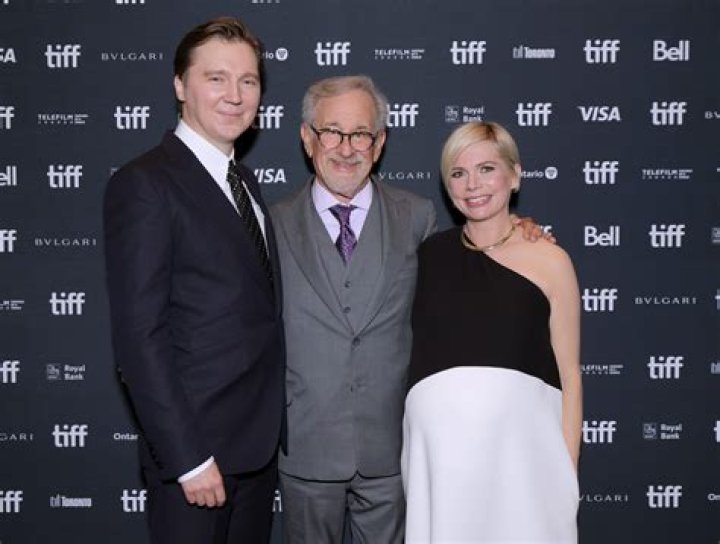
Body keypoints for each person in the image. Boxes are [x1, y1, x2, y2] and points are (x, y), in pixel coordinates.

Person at [103, 17, 284, 544]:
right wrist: (187, 459)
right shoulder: (146, 183)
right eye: (216, 78)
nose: (235, 95)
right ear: (180, 86)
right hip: (197, 460)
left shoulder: (243, 181)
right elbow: (140, 337)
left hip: (256, 454)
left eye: (248, 81)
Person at [271, 75, 435, 544]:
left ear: (379, 143)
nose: (346, 148)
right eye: (332, 132)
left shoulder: (418, 216)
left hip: (391, 446)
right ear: (307, 138)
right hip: (306, 444)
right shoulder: (272, 222)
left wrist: (517, 234)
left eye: (360, 134)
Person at [402, 121, 582, 543]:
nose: (472, 185)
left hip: (524, 463)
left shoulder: (551, 260)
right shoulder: (428, 256)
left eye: (486, 169)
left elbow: (570, 374)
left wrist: (567, 470)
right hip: (441, 464)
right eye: (458, 173)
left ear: (514, 175)